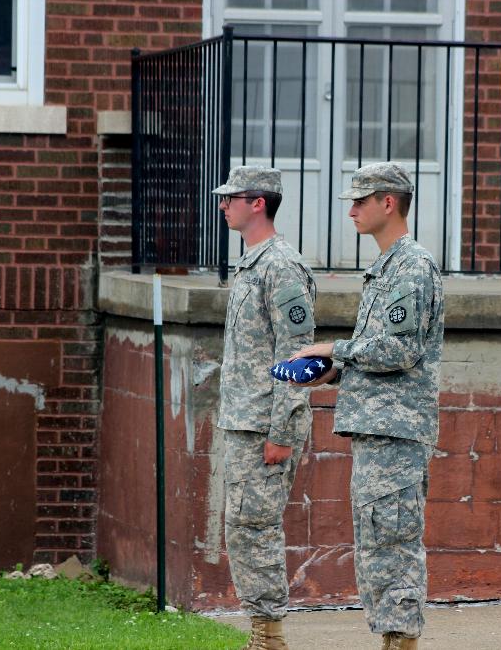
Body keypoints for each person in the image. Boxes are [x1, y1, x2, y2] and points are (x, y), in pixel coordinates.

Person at [292, 162, 445, 650]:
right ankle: (392, 640)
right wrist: (331, 370)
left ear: (389, 203)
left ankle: (400, 642)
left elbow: (399, 351)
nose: (352, 210)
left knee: (392, 546)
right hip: (379, 429)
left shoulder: (411, 268)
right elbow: (380, 350)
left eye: (361, 201)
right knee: (378, 545)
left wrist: (333, 350)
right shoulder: (387, 269)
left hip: (396, 434)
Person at [213, 166, 316, 650]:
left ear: (258, 202)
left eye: (231, 197)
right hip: (243, 422)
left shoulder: (282, 266)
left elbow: (298, 359)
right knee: (241, 528)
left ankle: (270, 637)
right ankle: (262, 633)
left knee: (256, 529)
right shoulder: (251, 263)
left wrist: (282, 431)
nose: (222, 205)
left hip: (263, 429)